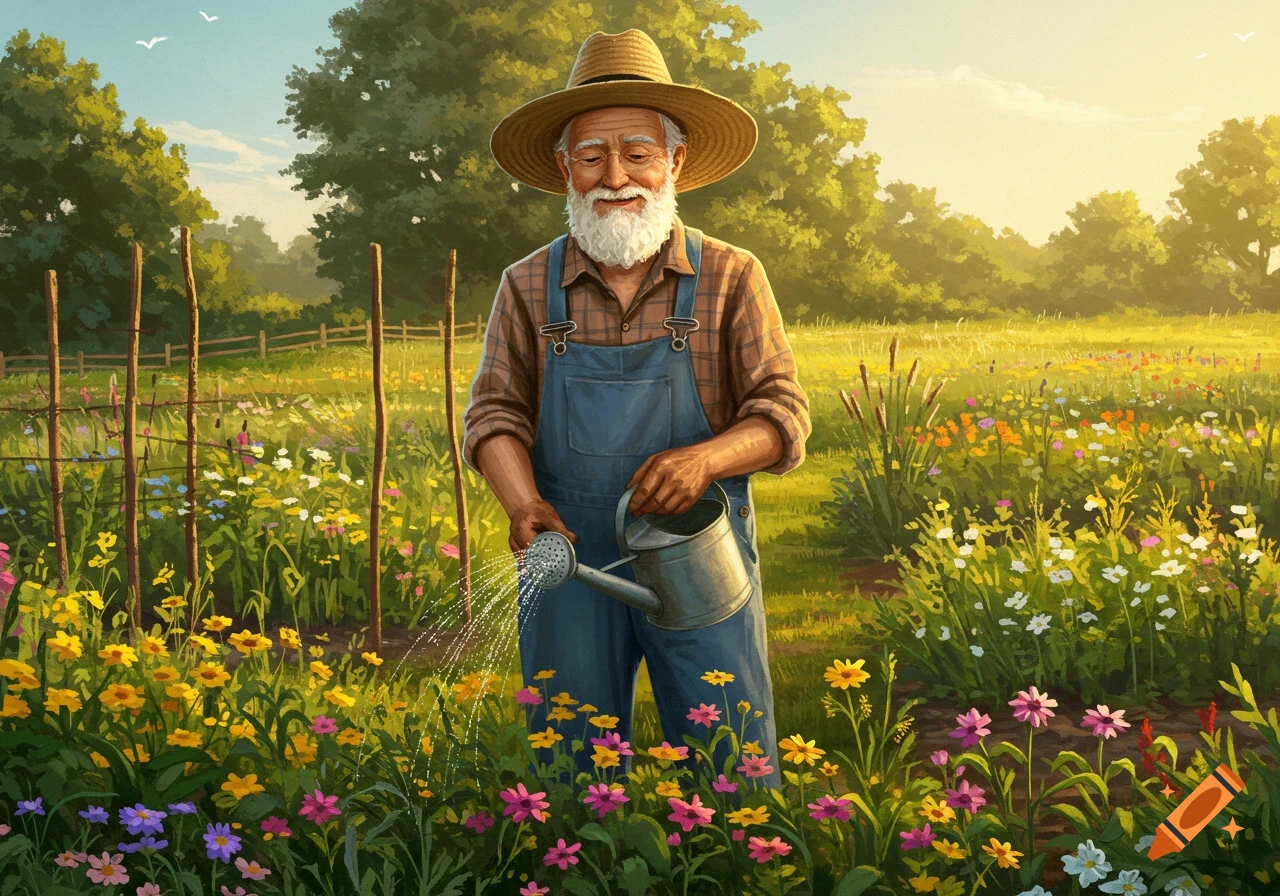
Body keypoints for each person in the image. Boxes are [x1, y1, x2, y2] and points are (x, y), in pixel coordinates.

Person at [463, 29, 810, 789]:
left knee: (731, 757)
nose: (613, 176)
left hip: (698, 548)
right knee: (567, 758)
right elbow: (492, 415)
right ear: (564, 168)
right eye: (590, 156)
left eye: (637, 152)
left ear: (675, 161)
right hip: (571, 553)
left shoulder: (731, 275)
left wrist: (704, 459)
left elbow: (782, 414)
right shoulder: (527, 285)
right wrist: (521, 502)